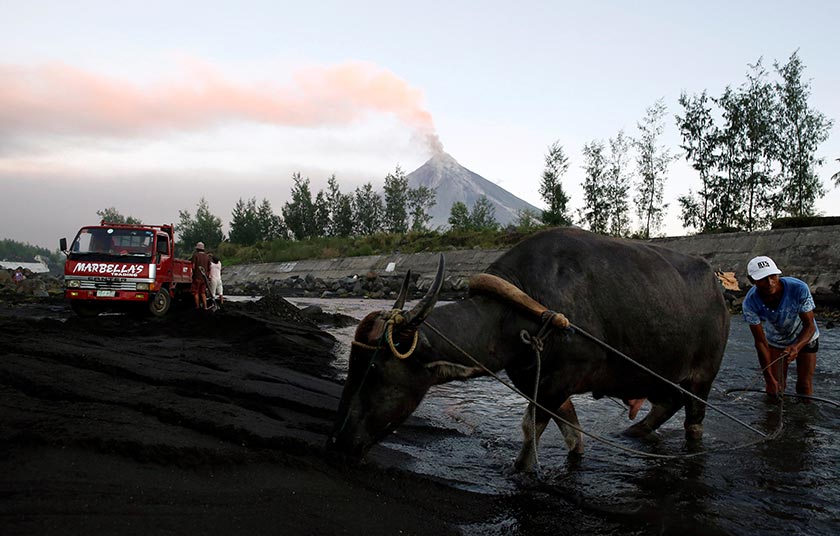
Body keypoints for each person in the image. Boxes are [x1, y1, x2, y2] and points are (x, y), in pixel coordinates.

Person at [742, 255, 819, 398]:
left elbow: (810, 326)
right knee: (776, 387)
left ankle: (805, 412)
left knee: (804, 385)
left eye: (773, 276)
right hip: (776, 339)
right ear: (752, 280)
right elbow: (760, 342)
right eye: (763, 279)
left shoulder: (799, 288)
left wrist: (796, 347)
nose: (770, 283)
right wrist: (768, 379)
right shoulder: (750, 303)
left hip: (805, 336)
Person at [191, 242, 212, 310]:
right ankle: (205, 307)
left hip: (197, 277)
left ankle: (197, 306)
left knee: (196, 292)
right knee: (203, 293)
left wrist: (193, 273)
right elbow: (209, 268)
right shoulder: (207, 257)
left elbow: (193, 266)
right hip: (204, 278)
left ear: (197, 249)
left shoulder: (195, 255)